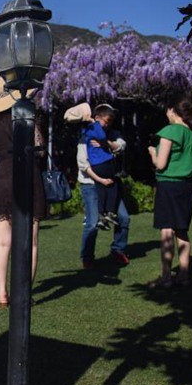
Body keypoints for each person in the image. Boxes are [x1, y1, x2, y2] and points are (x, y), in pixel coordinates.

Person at [0, 77, 46, 308]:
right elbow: (41, 149)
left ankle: (2, 293)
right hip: (28, 175)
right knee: (30, 243)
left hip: (4, 176)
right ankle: (23, 294)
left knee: (3, 242)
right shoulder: (27, 117)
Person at [147, 94, 192, 289]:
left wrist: (152, 153)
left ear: (173, 110)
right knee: (182, 231)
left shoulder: (170, 131)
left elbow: (161, 165)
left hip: (169, 185)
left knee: (166, 230)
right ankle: (183, 275)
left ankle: (166, 277)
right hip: (188, 187)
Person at [66, 103, 132, 269]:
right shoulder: (86, 136)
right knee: (93, 223)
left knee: (123, 218)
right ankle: (87, 257)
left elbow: (122, 146)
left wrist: (107, 144)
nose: (108, 123)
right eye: (106, 120)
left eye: (110, 120)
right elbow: (83, 165)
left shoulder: (113, 134)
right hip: (91, 184)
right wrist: (100, 180)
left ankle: (118, 249)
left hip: (111, 183)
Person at [83, 104, 121, 226]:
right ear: (98, 117)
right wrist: (96, 123)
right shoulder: (95, 127)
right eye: (107, 121)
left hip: (96, 164)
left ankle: (101, 214)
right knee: (114, 183)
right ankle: (110, 212)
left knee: (102, 188)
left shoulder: (86, 129)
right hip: (103, 161)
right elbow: (102, 136)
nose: (108, 124)